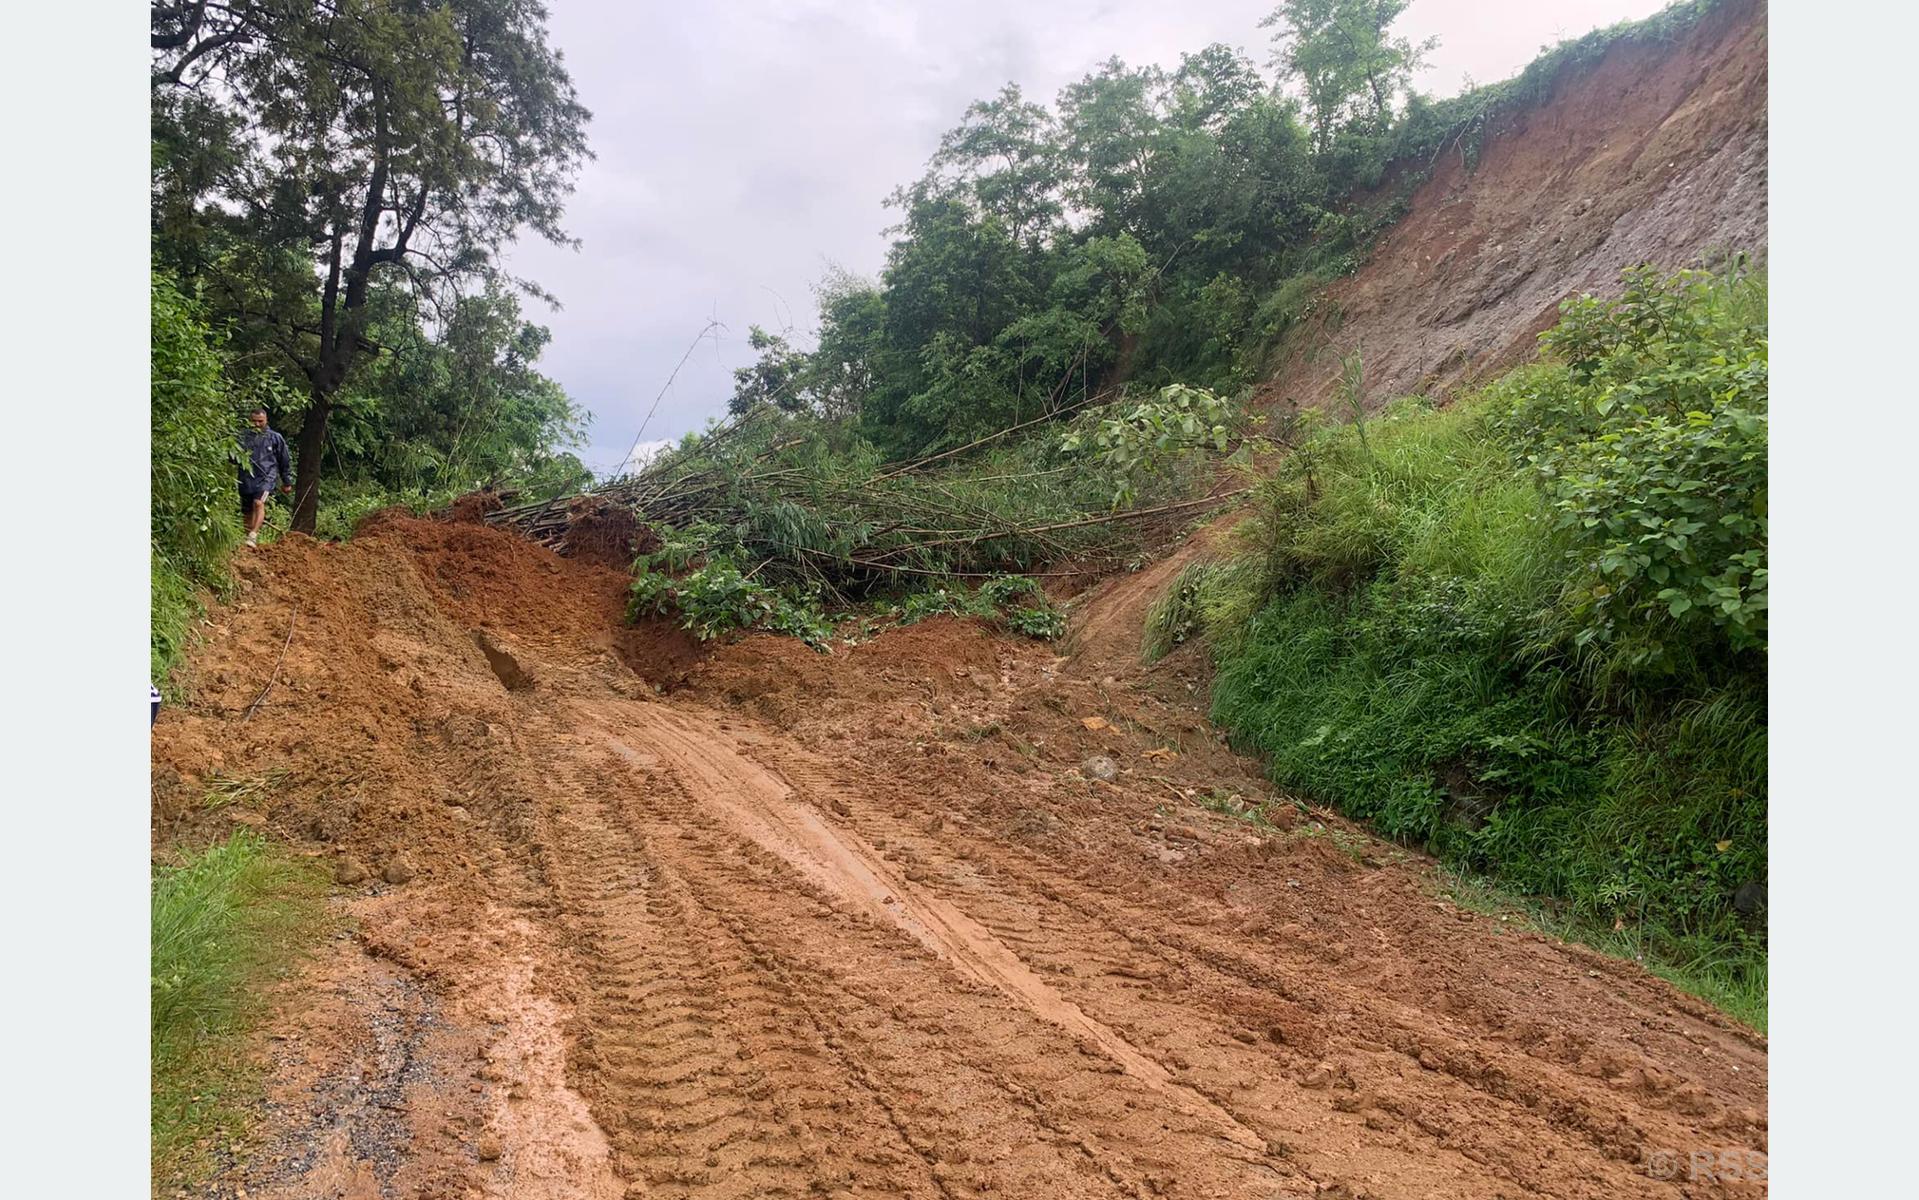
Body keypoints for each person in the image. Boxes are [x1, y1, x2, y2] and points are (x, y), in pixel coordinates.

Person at [238, 407, 293, 548]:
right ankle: (247, 541)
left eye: (260, 421)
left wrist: (287, 481)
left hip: (266, 477)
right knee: (247, 510)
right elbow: (233, 457)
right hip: (246, 477)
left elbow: (284, 460)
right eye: (254, 421)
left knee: (258, 503)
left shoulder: (275, 438)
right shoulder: (242, 437)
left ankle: (253, 534)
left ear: (266, 420)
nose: (257, 424)